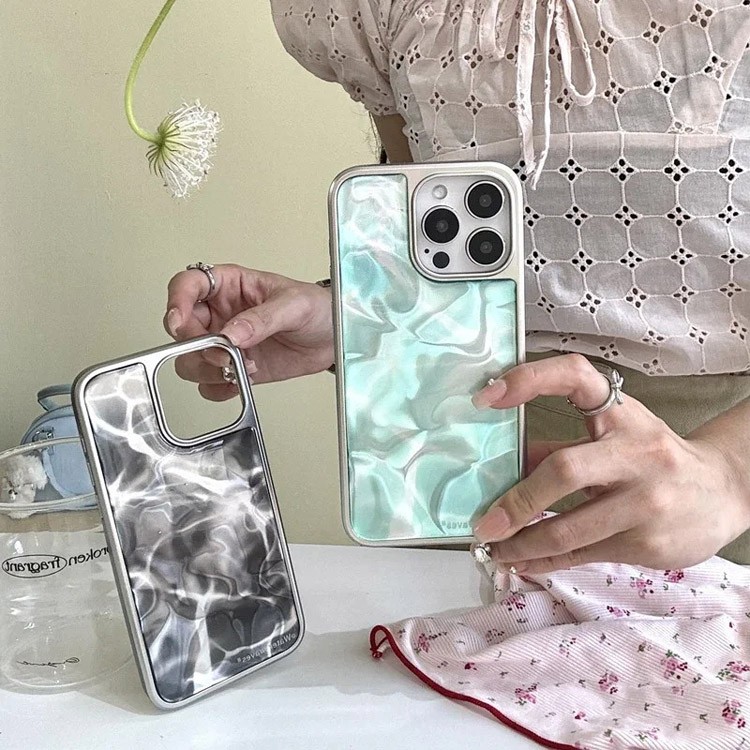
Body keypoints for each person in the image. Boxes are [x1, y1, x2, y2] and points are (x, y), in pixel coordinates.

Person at [164, 1, 750, 570]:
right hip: (456, 482)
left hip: (713, 508)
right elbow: (429, 263)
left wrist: (729, 474)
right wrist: (363, 323)